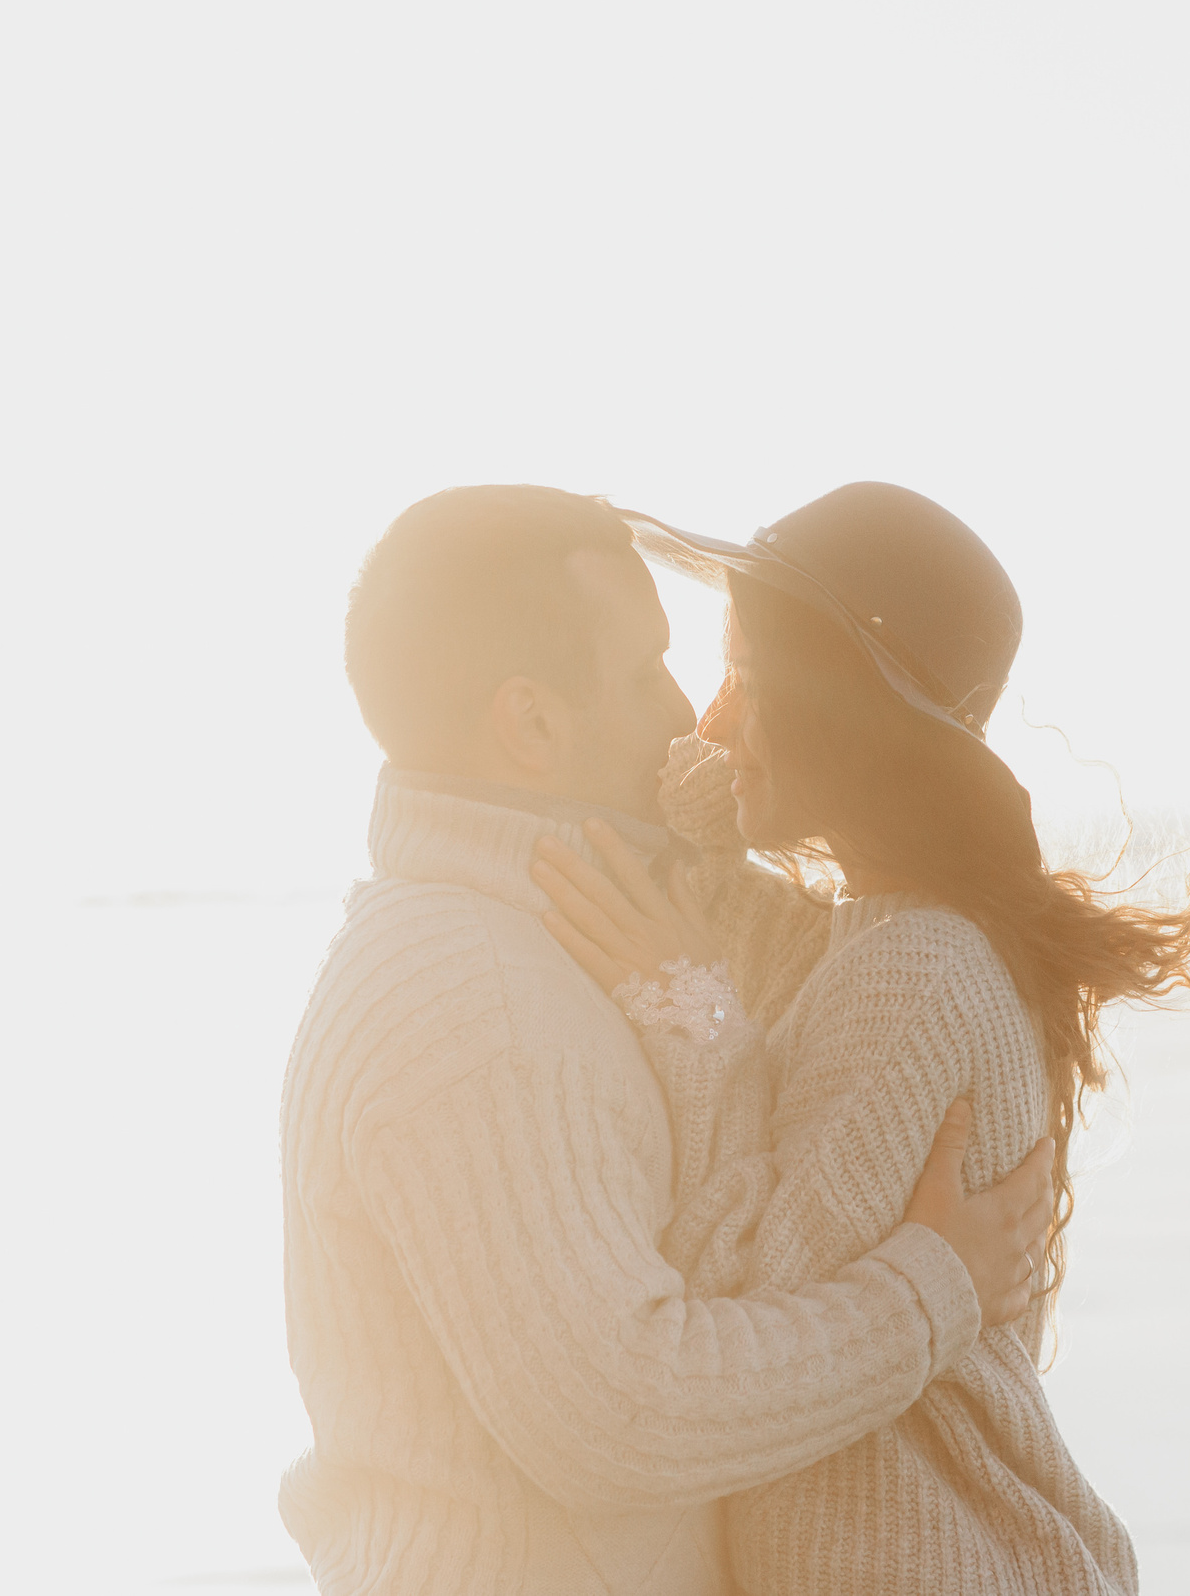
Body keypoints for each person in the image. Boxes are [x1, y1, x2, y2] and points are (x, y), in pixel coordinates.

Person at [278, 484, 1056, 1596]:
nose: (686, 713)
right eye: (650, 669)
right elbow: (623, 1417)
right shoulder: (475, 999)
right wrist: (934, 1291)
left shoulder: (569, 930)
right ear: (532, 723)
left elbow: (802, 955)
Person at [528, 482, 1190, 1596]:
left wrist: (690, 1014)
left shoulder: (909, 974)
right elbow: (690, 859)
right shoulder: (874, 941)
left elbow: (748, 1325)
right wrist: (739, 788)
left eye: (751, 685)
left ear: (843, 717)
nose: (708, 720)